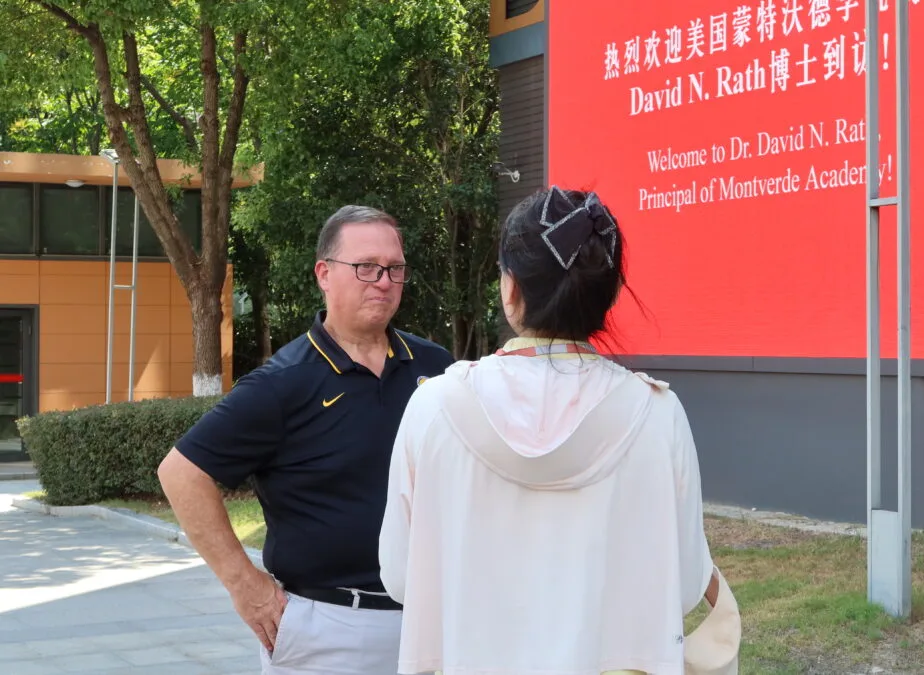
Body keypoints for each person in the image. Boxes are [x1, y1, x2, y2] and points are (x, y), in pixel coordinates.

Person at [378, 187, 739, 675]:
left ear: (511, 288)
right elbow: (686, 581)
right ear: (608, 295)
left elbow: (402, 578)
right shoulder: (657, 414)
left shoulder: (433, 408)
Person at [158, 205, 455, 674]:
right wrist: (244, 585)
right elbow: (181, 472)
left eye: (394, 268)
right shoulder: (283, 382)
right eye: (366, 267)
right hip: (329, 631)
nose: (383, 280)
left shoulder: (437, 368)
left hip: (433, 623)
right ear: (324, 274)